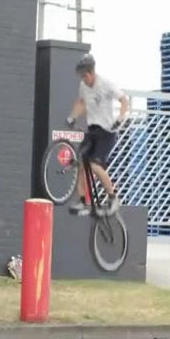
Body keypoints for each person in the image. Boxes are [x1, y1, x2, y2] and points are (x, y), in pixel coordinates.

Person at [66, 53, 129, 216]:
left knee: (95, 165)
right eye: (81, 76)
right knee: (81, 165)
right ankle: (84, 202)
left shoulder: (106, 84)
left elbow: (124, 100)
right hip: (92, 130)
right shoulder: (83, 86)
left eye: (85, 76)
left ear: (92, 72)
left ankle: (113, 197)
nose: (84, 79)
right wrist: (73, 116)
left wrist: (120, 118)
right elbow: (81, 102)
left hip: (107, 132)